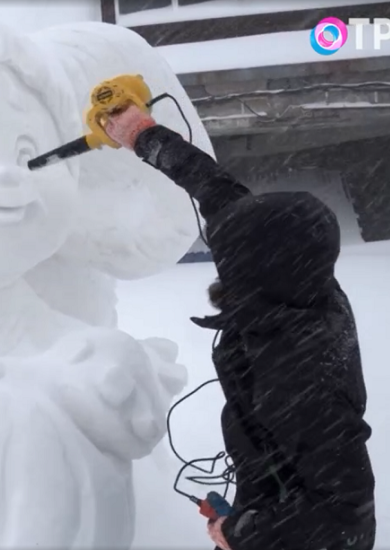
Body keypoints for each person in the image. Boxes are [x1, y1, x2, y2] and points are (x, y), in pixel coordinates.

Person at [104, 105, 376, 550]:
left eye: (229, 259)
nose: (221, 264)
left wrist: (241, 533)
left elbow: (347, 519)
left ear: (253, 270)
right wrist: (143, 135)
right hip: (269, 486)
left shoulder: (301, 377)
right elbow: (218, 191)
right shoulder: (304, 281)